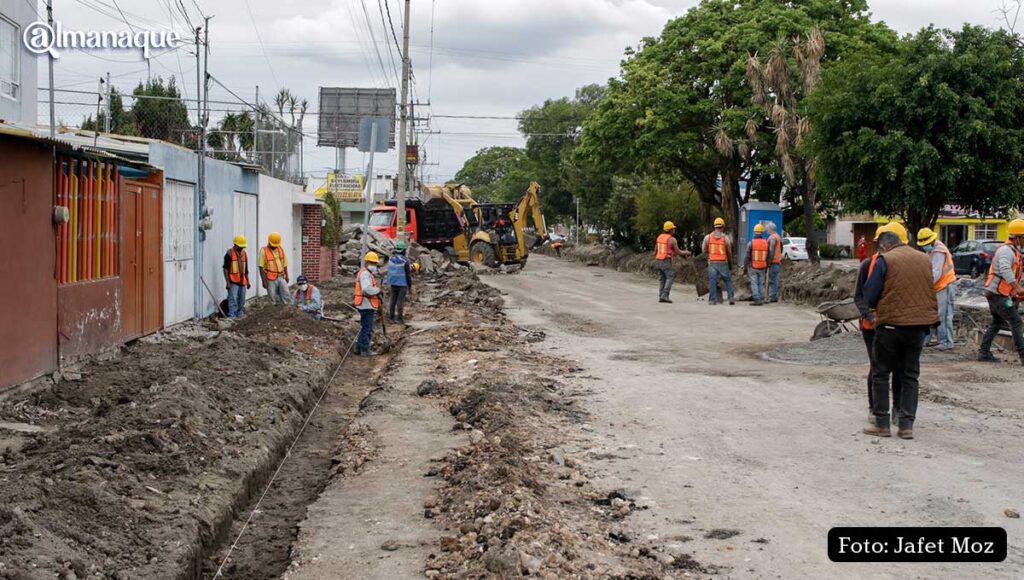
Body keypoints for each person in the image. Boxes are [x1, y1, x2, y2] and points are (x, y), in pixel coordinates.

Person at [862, 227, 939, 439]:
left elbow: (869, 296)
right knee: (910, 376)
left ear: (885, 246)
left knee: (880, 373)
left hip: (890, 327)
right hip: (919, 327)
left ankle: (882, 423)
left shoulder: (885, 260)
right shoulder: (924, 259)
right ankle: (906, 426)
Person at [855, 224, 903, 425]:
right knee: (877, 367)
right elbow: (860, 296)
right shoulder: (868, 265)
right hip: (872, 326)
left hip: (898, 324)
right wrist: (870, 315)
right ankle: (874, 408)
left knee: (899, 368)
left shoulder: (905, 266)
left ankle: (897, 410)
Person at [978, 218, 1024, 365]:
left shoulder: (1013, 251)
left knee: (997, 322)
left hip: (997, 293)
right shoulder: (1006, 251)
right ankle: (1023, 356)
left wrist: (1014, 292)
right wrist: (1017, 287)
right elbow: (1004, 269)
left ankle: (984, 352)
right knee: (1016, 322)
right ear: (1017, 237)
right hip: (997, 294)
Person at [917, 227, 957, 350]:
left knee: (943, 315)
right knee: (933, 314)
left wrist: (925, 286)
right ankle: (926, 339)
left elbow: (936, 273)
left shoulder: (939, 251)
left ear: (931, 240)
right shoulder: (932, 250)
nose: (925, 247)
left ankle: (946, 342)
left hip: (944, 285)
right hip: (937, 286)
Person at [654, 221, 693, 303]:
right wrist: (686, 252)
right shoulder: (672, 239)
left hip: (658, 260)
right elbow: (678, 252)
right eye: (673, 229)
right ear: (670, 230)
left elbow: (657, 250)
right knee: (670, 277)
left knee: (662, 279)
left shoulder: (659, 237)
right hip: (665, 260)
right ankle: (665, 295)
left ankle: (661, 296)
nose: (674, 230)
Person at [354, 252, 383, 356]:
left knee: (363, 327)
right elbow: (366, 289)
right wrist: (377, 291)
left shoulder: (367, 273)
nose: (374, 265)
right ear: (366, 262)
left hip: (365, 304)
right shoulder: (365, 274)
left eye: (375, 263)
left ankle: (358, 348)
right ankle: (365, 350)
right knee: (367, 328)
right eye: (372, 263)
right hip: (365, 304)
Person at [702, 218, 735, 305]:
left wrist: (710, 254)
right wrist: (730, 264)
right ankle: (731, 297)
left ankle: (713, 300)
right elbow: (729, 252)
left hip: (712, 262)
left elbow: (704, 250)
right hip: (723, 262)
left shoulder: (707, 237)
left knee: (712, 280)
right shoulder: (726, 238)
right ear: (722, 227)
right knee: (727, 280)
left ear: (714, 226)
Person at [384, 241, 414, 324]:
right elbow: (408, 274)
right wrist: (410, 285)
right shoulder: (405, 261)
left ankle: (391, 317)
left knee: (393, 300)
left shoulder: (391, 259)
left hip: (393, 283)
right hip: (402, 283)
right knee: (400, 301)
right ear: (403, 250)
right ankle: (399, 319)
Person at [222, 235, 251, 318]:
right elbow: (225, 269)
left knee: (242, 299)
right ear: (235, 245)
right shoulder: (229, 253)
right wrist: (227, 282)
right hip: (233, 280)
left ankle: (239, 313)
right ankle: (232, 315)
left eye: (243, 247)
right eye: (240, 247)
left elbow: (246, 270)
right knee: (233, 299)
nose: (242, 248)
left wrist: (248, 281)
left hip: (242, 280)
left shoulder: (244, 254)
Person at [259, 232, 291, 305]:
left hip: (281, 276)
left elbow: (285, 264)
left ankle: (286, 310)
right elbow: (261, 268)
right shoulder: (263, 251)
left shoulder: (281, 249)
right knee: (272, 296)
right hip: (270, 278)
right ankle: (273, 312)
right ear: (269, 242)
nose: (275, 247)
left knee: (286, 294)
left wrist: (287, 275)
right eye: (273, 245)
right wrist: (264, 281)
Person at [745, 224, 771, 306]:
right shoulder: (766, 243)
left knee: (754, 282)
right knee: (761, 282)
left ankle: (757, 299)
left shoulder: (751, 243)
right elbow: (769, 256)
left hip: (753, 266)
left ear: (754, 233)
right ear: (762, 233)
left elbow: (747, 256)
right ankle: (762, 298)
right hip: (763, 266)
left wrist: (745, 267)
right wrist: (768, 265)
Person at [765, 222, 784, 303]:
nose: (766, 231)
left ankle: (772, 297)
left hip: (773, 262)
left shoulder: (772, 238)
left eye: (767, 229)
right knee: (775, 279)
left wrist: (768, 262)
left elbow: (771, 250)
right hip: (777, 262)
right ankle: (773, 296)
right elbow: (781, 248)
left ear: (770, 229)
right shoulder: (778, 236)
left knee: (772, 280)